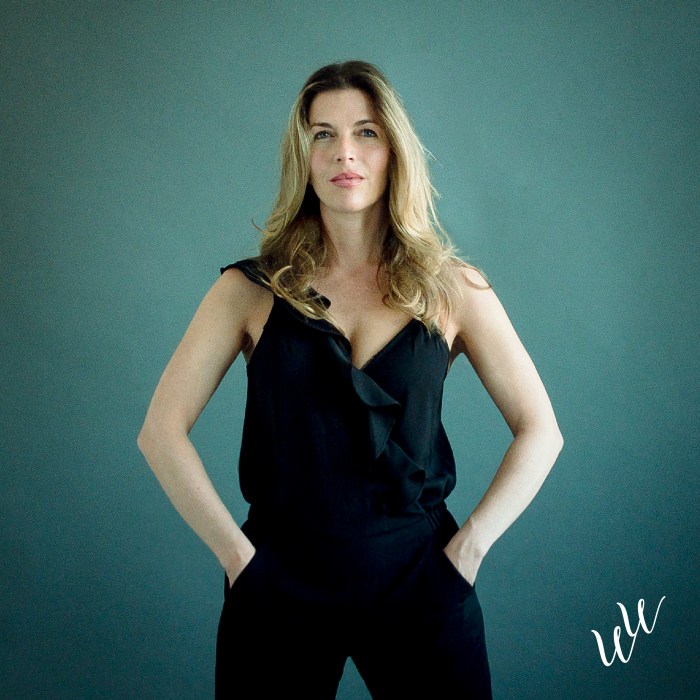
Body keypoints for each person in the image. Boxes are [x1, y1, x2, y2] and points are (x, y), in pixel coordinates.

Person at [137, 60, 563, 699]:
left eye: (366, 132)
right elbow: (160, 433)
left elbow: (541, 431)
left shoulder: (451, 289)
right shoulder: (249, 290)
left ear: (394, 151)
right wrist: (238, 559)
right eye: (323, 134)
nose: (345, 153)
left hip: (419, 579)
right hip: (281, 582)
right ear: (303, 157)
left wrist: (467, 552)